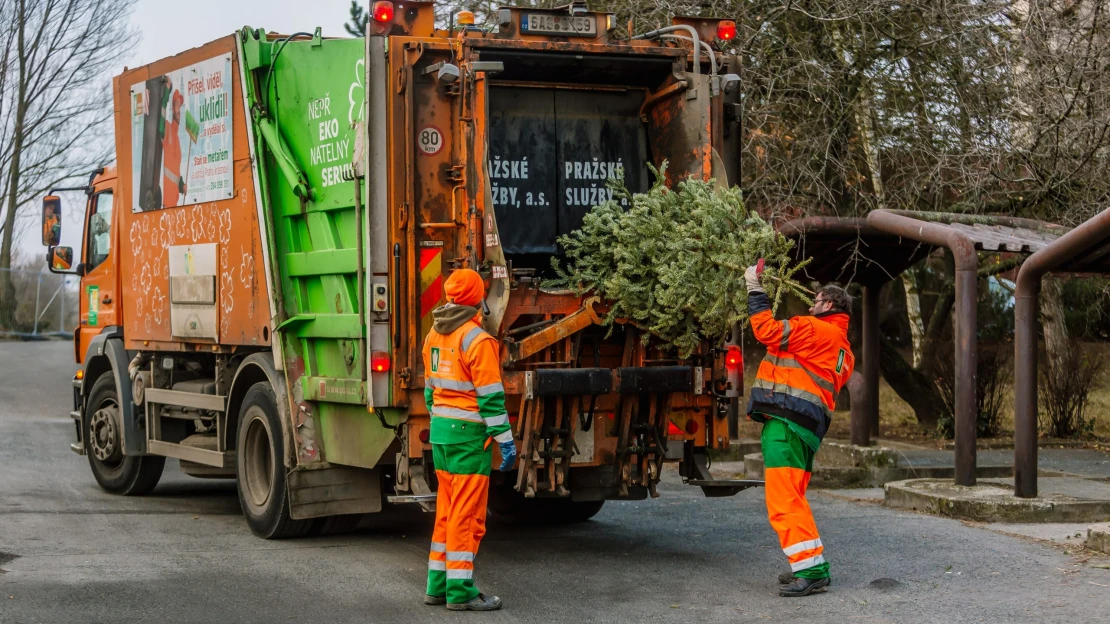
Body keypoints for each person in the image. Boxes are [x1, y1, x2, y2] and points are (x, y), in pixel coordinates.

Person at [744, 265, 855, 598]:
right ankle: (814, 565)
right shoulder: (843, 349)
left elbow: (766, 331)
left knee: (783, 501)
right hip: (805, 429)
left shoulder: (816, 329)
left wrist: (754, 288)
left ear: (832, 306)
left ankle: (809, 571)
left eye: (818, 301)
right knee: (795, 497)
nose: (810, 306)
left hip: (787, 425)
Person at [422, 268, 517, 612]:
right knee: (466, 516)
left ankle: (437, 585)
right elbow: (491, 398)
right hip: (468, 441)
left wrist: (442, 424)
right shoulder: (478, 341)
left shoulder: (433, 335)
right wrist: (505, 440)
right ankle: (460, 591)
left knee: (446, 513)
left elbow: (430, 392)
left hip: (442, 438)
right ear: (477, 300)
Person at [161, 87, 186, 208]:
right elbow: (159, 119)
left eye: (180, 106)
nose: (179, 110)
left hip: (174, 202)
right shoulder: (166, 127)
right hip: (166, 202)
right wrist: (166, 92)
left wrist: (181, 185)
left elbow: (175, 171)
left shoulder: (177, 137)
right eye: (177, 104)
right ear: (172, 108)